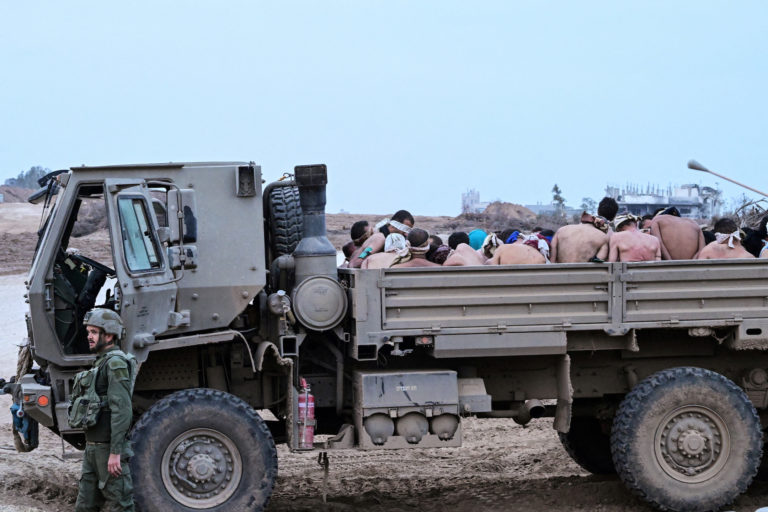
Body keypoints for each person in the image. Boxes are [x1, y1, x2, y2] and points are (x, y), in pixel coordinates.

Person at [72, 308, 136, 512]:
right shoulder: (100, 363)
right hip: (93, 449)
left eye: (94, 332)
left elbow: (122, 409)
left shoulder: (116, 363)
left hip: (108, 450)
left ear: (108, 335)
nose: (89, 337)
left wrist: (115, 452)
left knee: (120, 504)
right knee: (84, 506)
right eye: (88, 332)